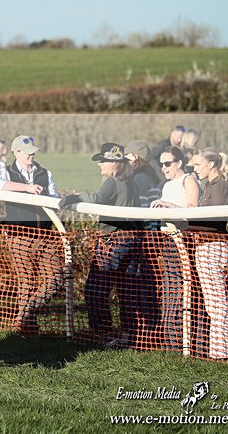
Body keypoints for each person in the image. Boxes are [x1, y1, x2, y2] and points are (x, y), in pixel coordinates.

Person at [60, 143, 140, 346]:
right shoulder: (131, 183)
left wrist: (72, 198)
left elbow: (96, 199)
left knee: (95, 289)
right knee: (127, 291)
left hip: (112, 241)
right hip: (131, 240)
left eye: (103, 161)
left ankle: (106, 334)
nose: (100, 165)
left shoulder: (112, 182)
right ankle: (128, 336)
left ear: (114, 163)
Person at [0, 134, 61, 335]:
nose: (31, 155)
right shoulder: (4, 170)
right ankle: (26, 327)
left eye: (33, 152)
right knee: (26, 283)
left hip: (45, 236)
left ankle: (25, 316)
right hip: (19, 236)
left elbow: (55, 199)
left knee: (56, 278)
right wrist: (27, 189)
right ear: (16, 153)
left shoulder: (45, 173)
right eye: (27, 152)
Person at [189, 148, 228, 359]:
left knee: (216, 304)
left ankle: (223, 352)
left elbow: (212, 220)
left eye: (198, 164)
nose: (195, 169)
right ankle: (222, 351)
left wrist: (184, 219)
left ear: (210, 164)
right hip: (206, 247)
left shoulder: (220, 187)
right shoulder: (210, 186)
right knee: (214, 304)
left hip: (212, 247)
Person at [150, 145, 200, 350]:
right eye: (161, 164)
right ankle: (171, 340)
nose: (163, 167)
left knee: (182, 290)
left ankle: (184, 340)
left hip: (184, 240)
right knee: (170, 290)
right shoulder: (166, 185)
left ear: (179, 162)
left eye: (167, 163)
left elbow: (193, 211)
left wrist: (168, 206)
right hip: (168, 241)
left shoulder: (188, 180)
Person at [123, 140, 163, 347]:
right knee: (146, 285)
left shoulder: (138, 179)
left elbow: (138, 212)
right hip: (150, 237)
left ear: (134, 157)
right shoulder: (150, 176)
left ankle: (144, 333)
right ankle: (149, 331)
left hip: (143, 239)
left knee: (139, 287)